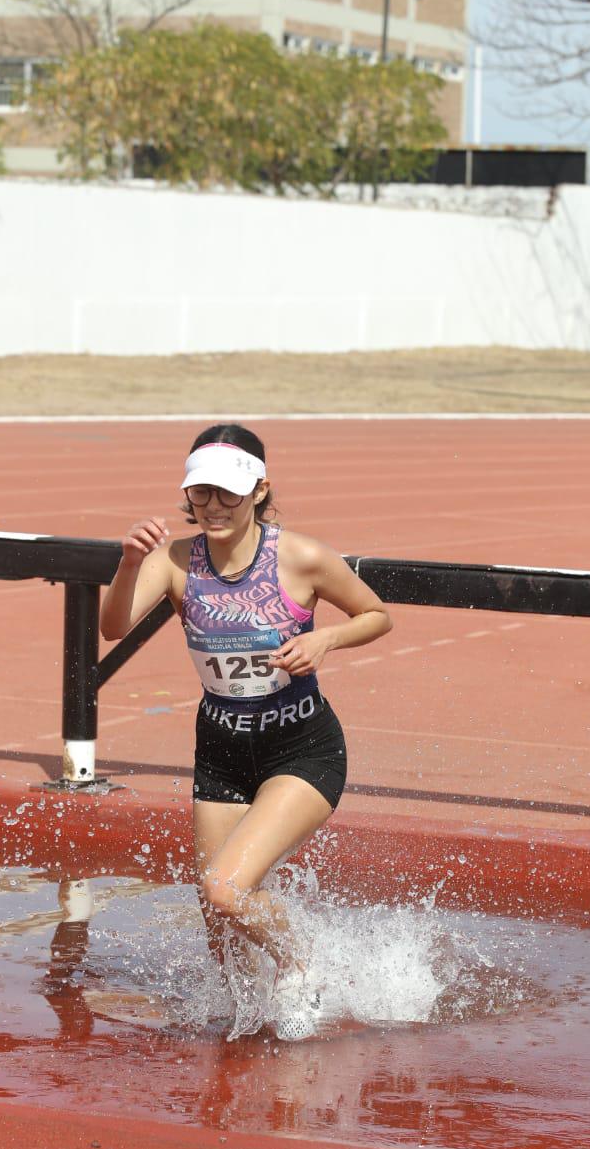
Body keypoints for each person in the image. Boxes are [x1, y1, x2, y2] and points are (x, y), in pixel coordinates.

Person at [101, 424, 392, 1039]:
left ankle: (305, 964)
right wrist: (128, 565)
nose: (213, 507)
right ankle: (250, 1028)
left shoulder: (301, 557)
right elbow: (112, 626)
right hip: (222, 751)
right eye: (201, 493)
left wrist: (324, 638)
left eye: (228, 493)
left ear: (261, 489)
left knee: (227, 889)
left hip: (302, 745)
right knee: (217, 918)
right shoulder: (176, 562)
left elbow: (376, 615)